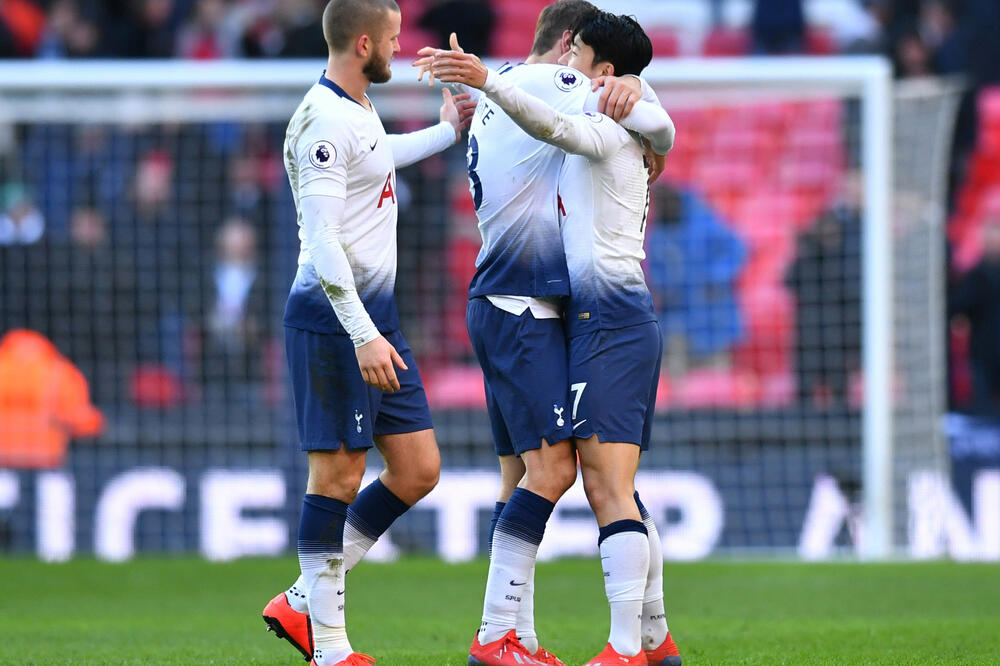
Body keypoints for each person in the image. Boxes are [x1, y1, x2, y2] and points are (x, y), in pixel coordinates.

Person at [420, 9, 681, 666]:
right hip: (553, 309)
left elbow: (588, 126)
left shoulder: (563, 110)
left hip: (574, 312)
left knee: (583, 479)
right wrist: (648, 113)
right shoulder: (584, 102)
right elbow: (645, 129)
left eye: (588, 64)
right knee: (587, 475)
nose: (576, 72)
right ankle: (624, 638)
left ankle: (596, 642)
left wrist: (488, 83)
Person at [258, 2, 475, 665]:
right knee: (337, 476)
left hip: (375, 320)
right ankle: (328, 647)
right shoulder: (322, 120)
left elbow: (377, 158)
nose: (398, 49)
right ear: (362, 43)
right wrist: (360, 333)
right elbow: (322, 243)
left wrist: (445, 130)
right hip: (335, 323)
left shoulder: (355, 111)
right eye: (392, 40)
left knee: (417, 469)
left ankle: (300, 600)